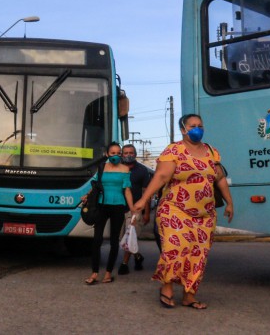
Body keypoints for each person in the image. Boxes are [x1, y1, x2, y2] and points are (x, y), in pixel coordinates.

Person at [133, 114, 234, 309]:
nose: (197, 129)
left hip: (205, 215)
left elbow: (219, 178)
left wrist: (229, 202)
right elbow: (162, 176)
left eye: (200, 125)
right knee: (174, 250)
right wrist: (144, 199)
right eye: (192, 126)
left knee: (198, 255)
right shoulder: (174, 150)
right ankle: (167, 288)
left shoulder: (212, 152)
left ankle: (189, 295)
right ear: (183, 129)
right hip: (175, 210)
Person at [83, 142, 134, 285]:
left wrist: (132, 209)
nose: (116, 156)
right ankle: (94, 273)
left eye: (119, 153)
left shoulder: (125, 169)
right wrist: (87, 196)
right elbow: (94, 185)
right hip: (101, 205)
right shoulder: (101, 168)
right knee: (97, 240)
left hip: (118, 206)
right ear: (107, 154)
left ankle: (108, 273)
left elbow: (127, 190)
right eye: (113, 153)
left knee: (113, 241)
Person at [117, 144, 152, 275]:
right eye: (125, 153)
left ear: (135, 154)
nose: (128, 155)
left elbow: (146, 193)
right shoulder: (117, 168)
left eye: (130, 152)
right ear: (121, 155)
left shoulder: (142, 170)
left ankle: (124, 264)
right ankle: (138, 256)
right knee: (122, 237)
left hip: (135, 210)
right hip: (119, 208)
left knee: (130, 235)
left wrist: (146, 213)